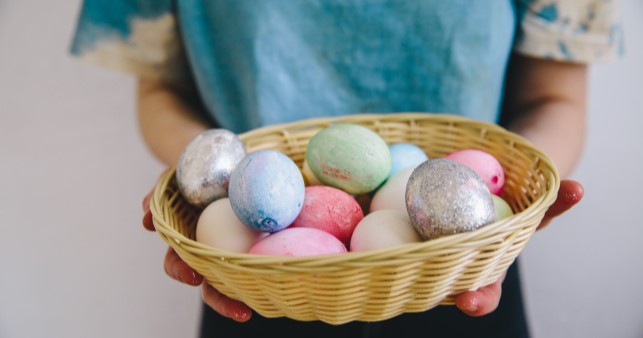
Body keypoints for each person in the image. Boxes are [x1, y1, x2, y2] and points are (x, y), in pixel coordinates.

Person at [71, 1, 621, 337]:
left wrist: (505, 220)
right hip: (258, 276)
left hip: (462, 270)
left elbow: (555, 96)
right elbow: (160, 89)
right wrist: (202, 183)